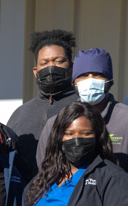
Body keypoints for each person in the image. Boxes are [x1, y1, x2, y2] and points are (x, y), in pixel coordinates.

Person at [36, 48, 128, 172]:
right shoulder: (56, 122)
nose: (90, 80)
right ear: (73, 83)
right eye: (82, 75)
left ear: (110, 81)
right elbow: (45, 168)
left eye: (98, 75)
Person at [7, 30, 79, 178]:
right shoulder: (21, 113)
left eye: (59, 61)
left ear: (71, 66)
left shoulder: (83, 108)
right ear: (36, 71)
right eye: (44, 63)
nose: (51, 68)